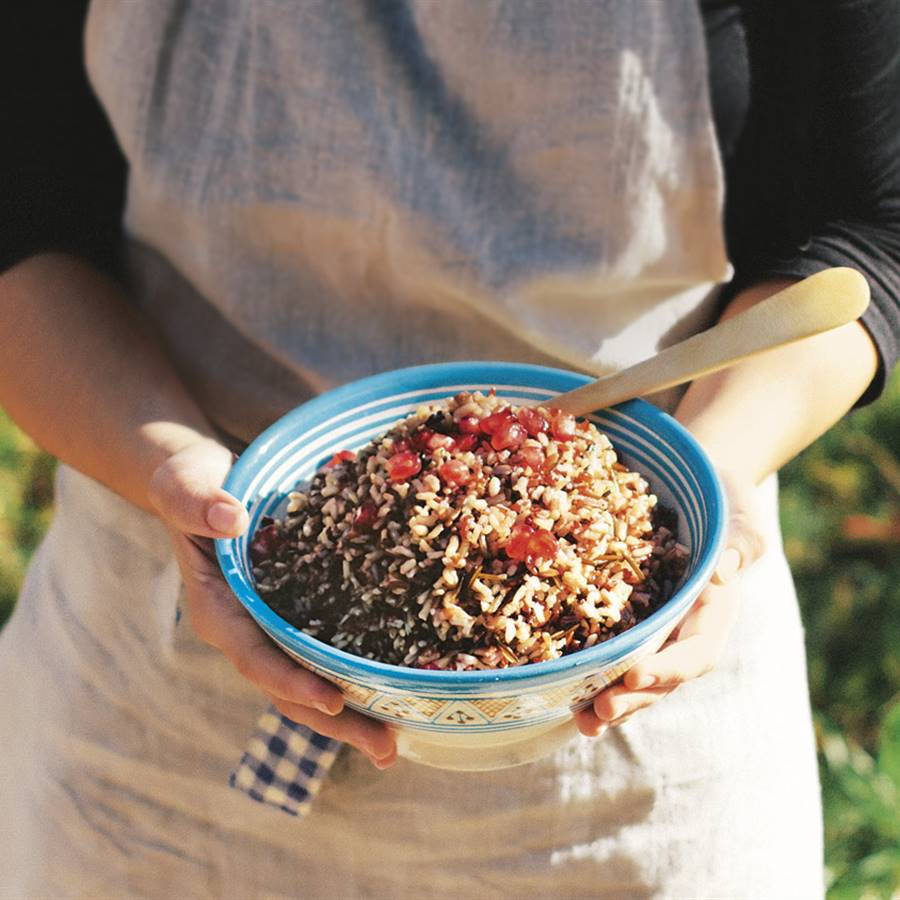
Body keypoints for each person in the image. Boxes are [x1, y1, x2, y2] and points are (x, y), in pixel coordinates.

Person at [1, 1, 898, 897]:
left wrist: (711, 467)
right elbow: (23, 217)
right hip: (161, 687)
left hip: (636, 720)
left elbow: (868, 230)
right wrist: (171, 469)